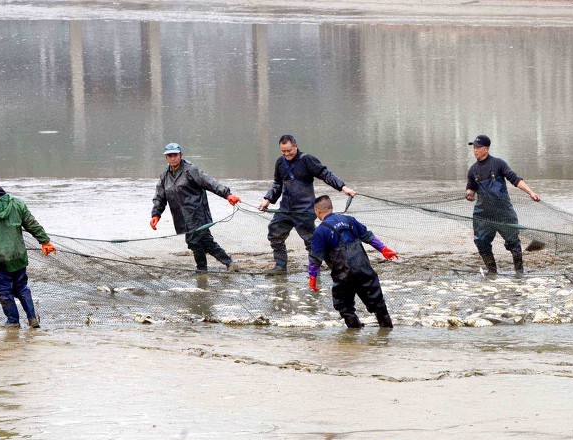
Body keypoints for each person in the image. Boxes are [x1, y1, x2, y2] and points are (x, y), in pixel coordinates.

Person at [257, 135, 357, 274]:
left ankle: (319, 268)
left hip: (304, 210)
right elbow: (277, 184)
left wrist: (343, 188)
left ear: (296, 146)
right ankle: (280, 267)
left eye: (289, 151)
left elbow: (325, 174)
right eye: (283, 151)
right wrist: (267, 200)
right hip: (285, 209)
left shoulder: (307, 160)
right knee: (275, 235)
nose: (286, 154)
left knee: (312, 242)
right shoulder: (280, 162)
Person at [0, 174, 57, 328]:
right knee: (22, 287)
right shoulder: (16, 203)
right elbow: (32, 224)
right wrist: (45, 241)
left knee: (2, 290)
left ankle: (13, 322)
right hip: (17, 256)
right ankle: (32, 319)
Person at [307, 195, 396, 329]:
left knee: (345, 307)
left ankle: (353, 337)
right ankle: (387, 332)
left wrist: (312, 278)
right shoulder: (350, 220)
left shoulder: (320, 231)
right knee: (378, 303)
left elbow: (315, 258)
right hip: (363, 269)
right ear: (331, 207)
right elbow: (368, 236)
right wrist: (384, 249)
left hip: (343, 275)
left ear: (317, 211)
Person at [150, 142, 242, 272]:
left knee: (197, 241)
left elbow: (209, 182)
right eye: (169, 155)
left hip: (197, 213)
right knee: (200, 242)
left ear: (180, 155)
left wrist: (227, 195)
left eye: (175, 155)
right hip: (181, 217)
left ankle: (207, 268)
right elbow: (160, 197)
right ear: (166, 157)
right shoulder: (164, 176)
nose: (172, 158)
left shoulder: (190, 170)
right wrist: (156, 214)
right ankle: (220, 265)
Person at [464, 135, 540, 276]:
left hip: (504, 212)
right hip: (482, 214)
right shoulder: (472, 170)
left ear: (486, 149)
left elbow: (515, 179)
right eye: (474, 147)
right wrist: (469, 194)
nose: (475, 150)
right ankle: (492, 272)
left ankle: (519, 273)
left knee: (514, 244)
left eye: (478, 147)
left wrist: (531, 192)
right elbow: (471, 188)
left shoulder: (498, 163)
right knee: (481, 243)